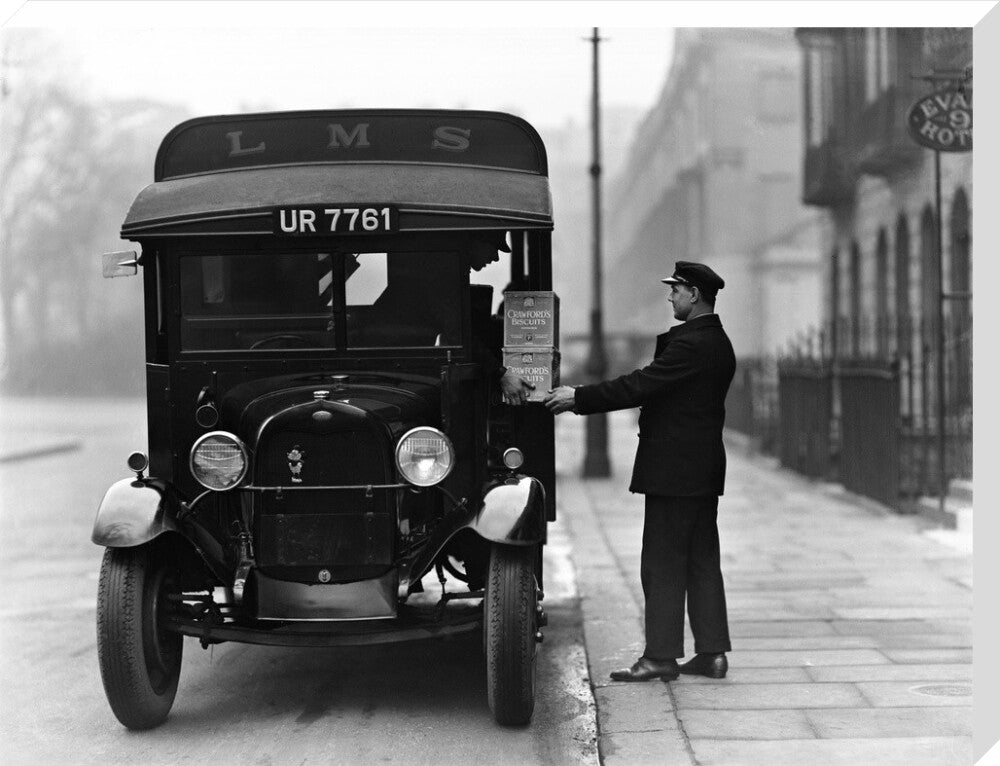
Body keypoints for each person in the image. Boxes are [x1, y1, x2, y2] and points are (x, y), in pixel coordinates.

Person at [543, 261, 736, 682]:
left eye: (677, 290)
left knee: (663, 562)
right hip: (701, 468)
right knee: (702, 559)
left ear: (695, 295)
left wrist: (578, 397)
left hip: (675, 469)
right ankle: (712, 652)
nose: (671, 296)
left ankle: (661, 657)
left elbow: (639, 385)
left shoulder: (692, 345)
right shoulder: (717, 341)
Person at [467, 234, 535, 406]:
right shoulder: (448, 277)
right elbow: (460, 335)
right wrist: (501, 373)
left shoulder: (454, 274)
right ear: (476, 242)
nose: (496, 257)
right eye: (493, 247)